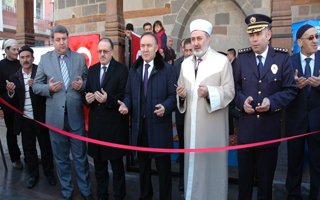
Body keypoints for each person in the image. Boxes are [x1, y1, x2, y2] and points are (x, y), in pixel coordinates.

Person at [233, 14, 296, 200]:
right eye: (251, 35)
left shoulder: (283, 58)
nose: (254, 39)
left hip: (269, 133)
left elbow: (290, 90)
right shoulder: (242, 59)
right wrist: (242, 101)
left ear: (268, 34)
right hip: (245, 134)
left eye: (258, 34)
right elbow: (234, 88)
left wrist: (272, 102)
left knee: (265, 185)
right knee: (243, 184)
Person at [176, 19, 235, 200]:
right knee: (192, 168)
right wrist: (182, 95)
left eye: (199, 38)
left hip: (212, 130)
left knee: (212, 171)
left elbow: (230, 91)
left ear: (208, 39)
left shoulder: (221, 61)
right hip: (190, 129)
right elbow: (180, 89)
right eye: (193, 39)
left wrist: (209, 92)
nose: (195, 43)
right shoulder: (185, 64)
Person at [33, 25, 92, 200]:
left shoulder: (79, 59)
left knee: (80, 157)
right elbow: (36, 86)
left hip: (75, 117)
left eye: (64, 39)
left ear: (68, 38)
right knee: (60, 158)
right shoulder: (45, 60)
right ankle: (67, 191)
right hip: (55, 119)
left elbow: (88, 80)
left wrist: (83, 86)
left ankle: (86, 191)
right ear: (52, 41)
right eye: (58, 39)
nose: (61, 42)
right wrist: (49, 88)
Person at [118, 32, 176, 200]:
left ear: (157, 48)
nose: (145, 49)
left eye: (149, 45)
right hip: (140, 129)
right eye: (142, 46)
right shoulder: (134, 69)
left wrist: (165, 107)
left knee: (164, 171)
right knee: (143, 170)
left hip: (160, 129)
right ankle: (145, 196)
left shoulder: (168, 69)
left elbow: (174, 96)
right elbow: (128, 94)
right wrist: (126, 105)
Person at [6, 45, 55, 189]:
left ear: (33, 58)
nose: (25, 60)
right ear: (19, 59)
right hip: (25, 119)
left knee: (46, 147)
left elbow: (49, 93)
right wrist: (10, 93)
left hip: (41, 118)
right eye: (22, 57)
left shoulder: (41, 72)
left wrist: (39, 87)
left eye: (28, 57)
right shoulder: (14, 77)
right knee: (29, 149)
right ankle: (33, 175)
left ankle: (49, 173)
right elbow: (13, 101)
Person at [85, 38, 129, 200]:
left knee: (117, 167)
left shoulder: (121, 70)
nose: (102, 54)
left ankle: (119, 195)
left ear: (112, 52)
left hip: (114, 127)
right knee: (99, 167)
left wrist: (107, 99)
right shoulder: (93, 70)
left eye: (105, 51)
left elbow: (124, 96)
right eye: (100, 51)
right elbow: (87, 92)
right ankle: (102, 195)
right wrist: (87, 99)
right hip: (97, 128)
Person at [285, 24, 320, 200]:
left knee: (317, 164)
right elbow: (283, 91)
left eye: (316, 37)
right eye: (310, 38)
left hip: (317, 123)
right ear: (300, 42)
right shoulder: (289, 62)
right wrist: (294, 86)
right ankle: (293, 195)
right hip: (295, 121)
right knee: (294, 162)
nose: (315, 41)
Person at [0, 39, 23, 169]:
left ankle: (30, 155)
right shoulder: (1, 65)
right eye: (14, 49)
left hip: (22, 104)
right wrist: (7, 87)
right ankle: (15, 158)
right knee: (12, 132)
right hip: (8, 106)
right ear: (6, 50)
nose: (17, 52)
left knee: (26, 131)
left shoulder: (21, 63)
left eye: (17, 49)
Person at [173, 37, 192, 191]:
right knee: (183, 147)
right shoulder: (177, 64)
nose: (187, 53)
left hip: (198, 114)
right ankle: (182, 180)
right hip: (181, 113)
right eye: (185, 50)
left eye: (190, 50)